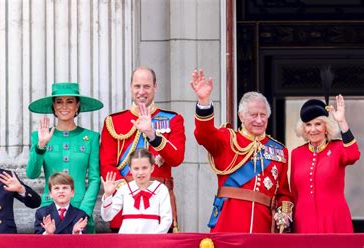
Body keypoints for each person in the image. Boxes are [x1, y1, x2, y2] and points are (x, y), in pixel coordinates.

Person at [190, 69, 293, 233]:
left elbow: (283, 193)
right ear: (241, 116)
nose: (259, 120)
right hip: (228, 224)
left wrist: (284, 214)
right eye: (253, 115)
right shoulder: (227, 140)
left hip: (263, 227)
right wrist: (204, 101)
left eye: (263, 115)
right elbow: (204, 134)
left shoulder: (279, 151)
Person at [100, 66, 185, 232]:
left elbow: (177, 158)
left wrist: (153, 135)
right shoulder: (114, 122)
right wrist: (129, 193)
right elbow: (106, 165)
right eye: (137, 86)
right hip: (124, 207)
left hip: (160, 206)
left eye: (146, 86)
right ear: (131, 87)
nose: (141, 91)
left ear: (155, 87)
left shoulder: (172, 119)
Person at [26, 82, 103, 233]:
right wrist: (41, 146)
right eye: (59, 102)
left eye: (70, 101)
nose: (64, 106)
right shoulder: (39, 136)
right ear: (53, 106)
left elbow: (95, 178)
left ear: (77, 105)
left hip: (81, 209)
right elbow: (31, 173)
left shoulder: (91, 137)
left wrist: (85, 211)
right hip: (50, 211)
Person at [291, 95, 360, 233]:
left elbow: (354, 155)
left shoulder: (338, 148)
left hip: (334, 219)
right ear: (303, 129)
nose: (313, 129)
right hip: (304, 221)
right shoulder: (297, 153)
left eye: (318, 124)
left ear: (326, 127)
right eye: (308, 125)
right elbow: (294, 192)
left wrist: (342, 122)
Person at [101, 148, 172, 233]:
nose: (140, 172)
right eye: (136, 168)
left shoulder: (161, 189)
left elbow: (167, 220)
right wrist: (108, 195)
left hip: (152, 242)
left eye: (144, 168)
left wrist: (154, 239)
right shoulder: (124, 189)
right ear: (130, 170)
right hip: (127, 241)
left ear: (152, 168)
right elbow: (107, 217)